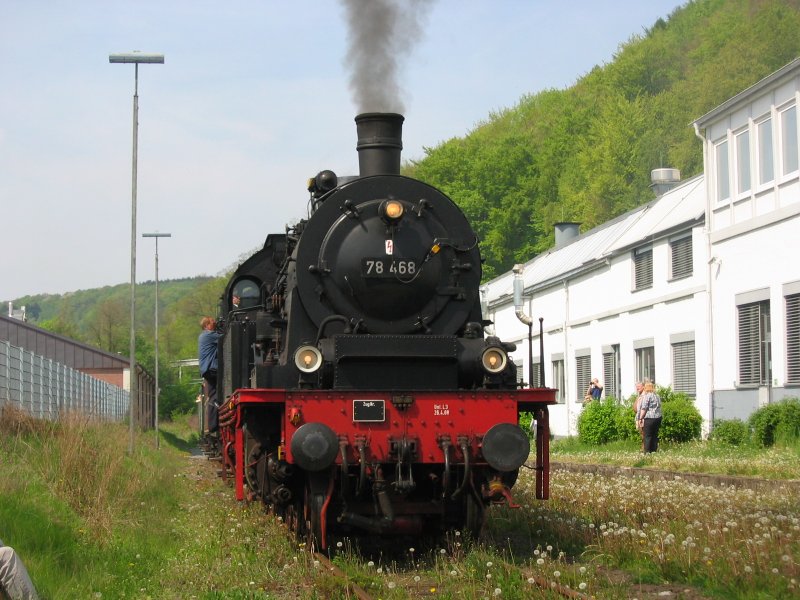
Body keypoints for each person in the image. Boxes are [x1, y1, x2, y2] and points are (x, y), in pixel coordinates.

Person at [198, 316, 222, 435]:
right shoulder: (209, 335)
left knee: (213, 395)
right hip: (211, 368)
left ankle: (213, 425)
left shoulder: (204, 336)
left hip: (207, 369)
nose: (215, 322)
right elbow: (225, 337)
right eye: (212, 322)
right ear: (207, 325)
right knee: (220, 390)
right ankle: (214, 423)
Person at [637, 380, 662, 453]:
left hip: (649, 418)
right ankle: (654, 451)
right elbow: (659, 406)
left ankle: (647, 452)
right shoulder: (657, 396)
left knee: (647, 436)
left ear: (646, 388)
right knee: (655, 435)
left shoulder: (647, 396)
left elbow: (644, 408)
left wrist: (640, 418)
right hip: (658, 417)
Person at [633, 380, 645, 450]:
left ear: (643, 386)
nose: (637, 388)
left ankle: (644, 448)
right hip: (638, 416)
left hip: (642, 418)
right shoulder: (639, 395)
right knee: (641, 434)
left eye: (639, 386)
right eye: (636, 387)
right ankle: (643, 448)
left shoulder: (644, 395)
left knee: (644, 434)